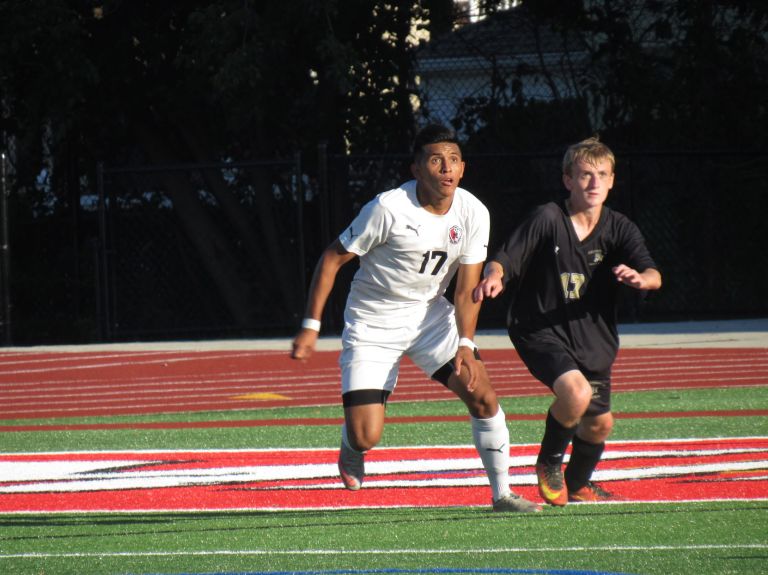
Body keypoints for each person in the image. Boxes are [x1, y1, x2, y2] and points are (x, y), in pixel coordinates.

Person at [291, 123, 540, 513]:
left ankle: (502, 493)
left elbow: (465, 290)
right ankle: (351, 444)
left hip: (430, 315)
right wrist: (310, 327)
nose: (447, 168)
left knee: (481, 393)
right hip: (374, 317)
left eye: (454, 160)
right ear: (416, 169)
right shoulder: (387, 208)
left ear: (463, 169)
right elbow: (331, 258)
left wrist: (466, 344)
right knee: (366, 434)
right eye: (436, 159)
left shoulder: (473, 211)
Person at [473, 137, 662, 506]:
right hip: (539, 327)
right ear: (567, 181)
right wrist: (495, 276)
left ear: (611, 181)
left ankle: (577, 485)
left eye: (601, 175)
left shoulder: (619, 228)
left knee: (599, 424)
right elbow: (505, 258)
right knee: (576, 393)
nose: (594, 183)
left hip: (593, 336)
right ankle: (549, 462)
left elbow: (654, 272)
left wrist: (642, 280)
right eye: (585, 175)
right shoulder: (547, 218)